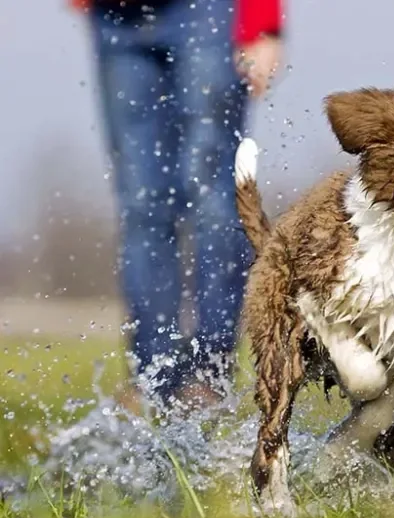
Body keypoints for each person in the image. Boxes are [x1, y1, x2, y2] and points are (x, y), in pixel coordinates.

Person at [69, 0, 285, 413]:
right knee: (141, 206)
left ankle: (210, 372)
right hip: (115, 18)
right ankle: (153, 376)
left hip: (207, 10)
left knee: (214, 197)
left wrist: (262, 20)